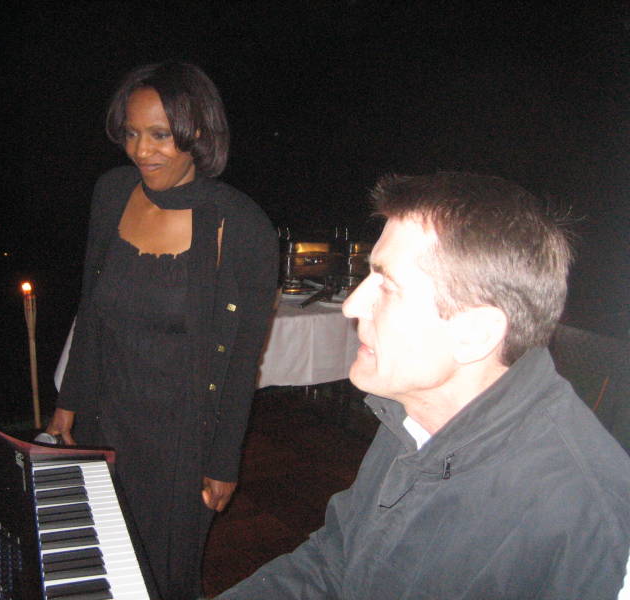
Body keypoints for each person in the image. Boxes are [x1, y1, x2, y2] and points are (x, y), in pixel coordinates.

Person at [218, 172, 630, 599]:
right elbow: (335, 562)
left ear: (474, 333)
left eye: (387, 286)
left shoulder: (587, 525)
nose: (353, 305)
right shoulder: (414, 415)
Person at [46, 61, 278, 599]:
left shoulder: (241, 226)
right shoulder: (111, 193)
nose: (141, 151)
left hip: (180, 440)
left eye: (159, 135)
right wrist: (67, 405)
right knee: (102, 550)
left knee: (166, 574)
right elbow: (92, 310)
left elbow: (243, 358)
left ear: (198, 133)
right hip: (107, 416)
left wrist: (223, 460)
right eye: (131, 133)